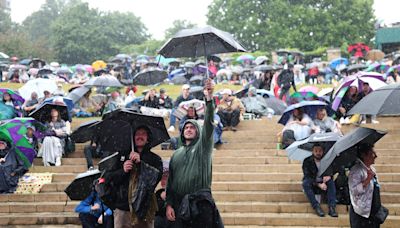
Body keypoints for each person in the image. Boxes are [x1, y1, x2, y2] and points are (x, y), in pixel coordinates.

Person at [166, 79, 223, 227]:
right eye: (186, 128)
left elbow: (209, 125)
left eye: (193, 127)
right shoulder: (176, 153)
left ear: (198, 131)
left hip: (201, 204)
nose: (189, 129)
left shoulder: (203, 148)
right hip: (179, 204)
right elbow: (170, 182)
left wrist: (209, 99)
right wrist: (169, 204)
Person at [106, 126, 163, 228]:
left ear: (148, 138)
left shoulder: (155, 159)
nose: (140, 136)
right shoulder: (121, 156)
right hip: (123, 209)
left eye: (143, 134)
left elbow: (156, 178)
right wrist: (123, 171)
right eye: (137, 134)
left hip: (145, 208)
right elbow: (110, 178)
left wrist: (141, 164)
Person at [349, 143, 386, 227]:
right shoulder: (356, 171)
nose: (375, 156)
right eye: (372, 153)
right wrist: (367, 180)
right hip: (361, 213)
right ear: (364, 155)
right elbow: (354, 190)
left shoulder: (372, 169)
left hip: (373, 211)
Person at [302, 143, 338, 217]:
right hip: (313, 183)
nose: (318, 153)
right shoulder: (307, 161)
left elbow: (334, 170)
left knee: (331, 182)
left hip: (324, 183)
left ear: (323, 151)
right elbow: (307, 175)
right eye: (316, 151)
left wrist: (329, 176)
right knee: (305, 183)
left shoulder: (327, 159)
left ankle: (332, 207)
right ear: (312, 151)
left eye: (320, 151)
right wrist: (318, 184)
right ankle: (316, 206)